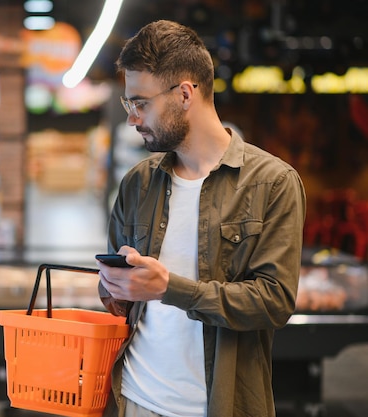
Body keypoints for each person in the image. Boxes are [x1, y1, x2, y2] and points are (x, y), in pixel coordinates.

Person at [96, 19, 306, 417]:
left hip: (222, 405)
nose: (132, 119)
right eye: (129, 104)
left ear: (185, 94)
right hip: (135, 399)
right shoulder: (138, 183)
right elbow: (121, 300)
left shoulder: (273, 183)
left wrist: (169, 288)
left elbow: (275, 302)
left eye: (140, 103)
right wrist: (114, 288)